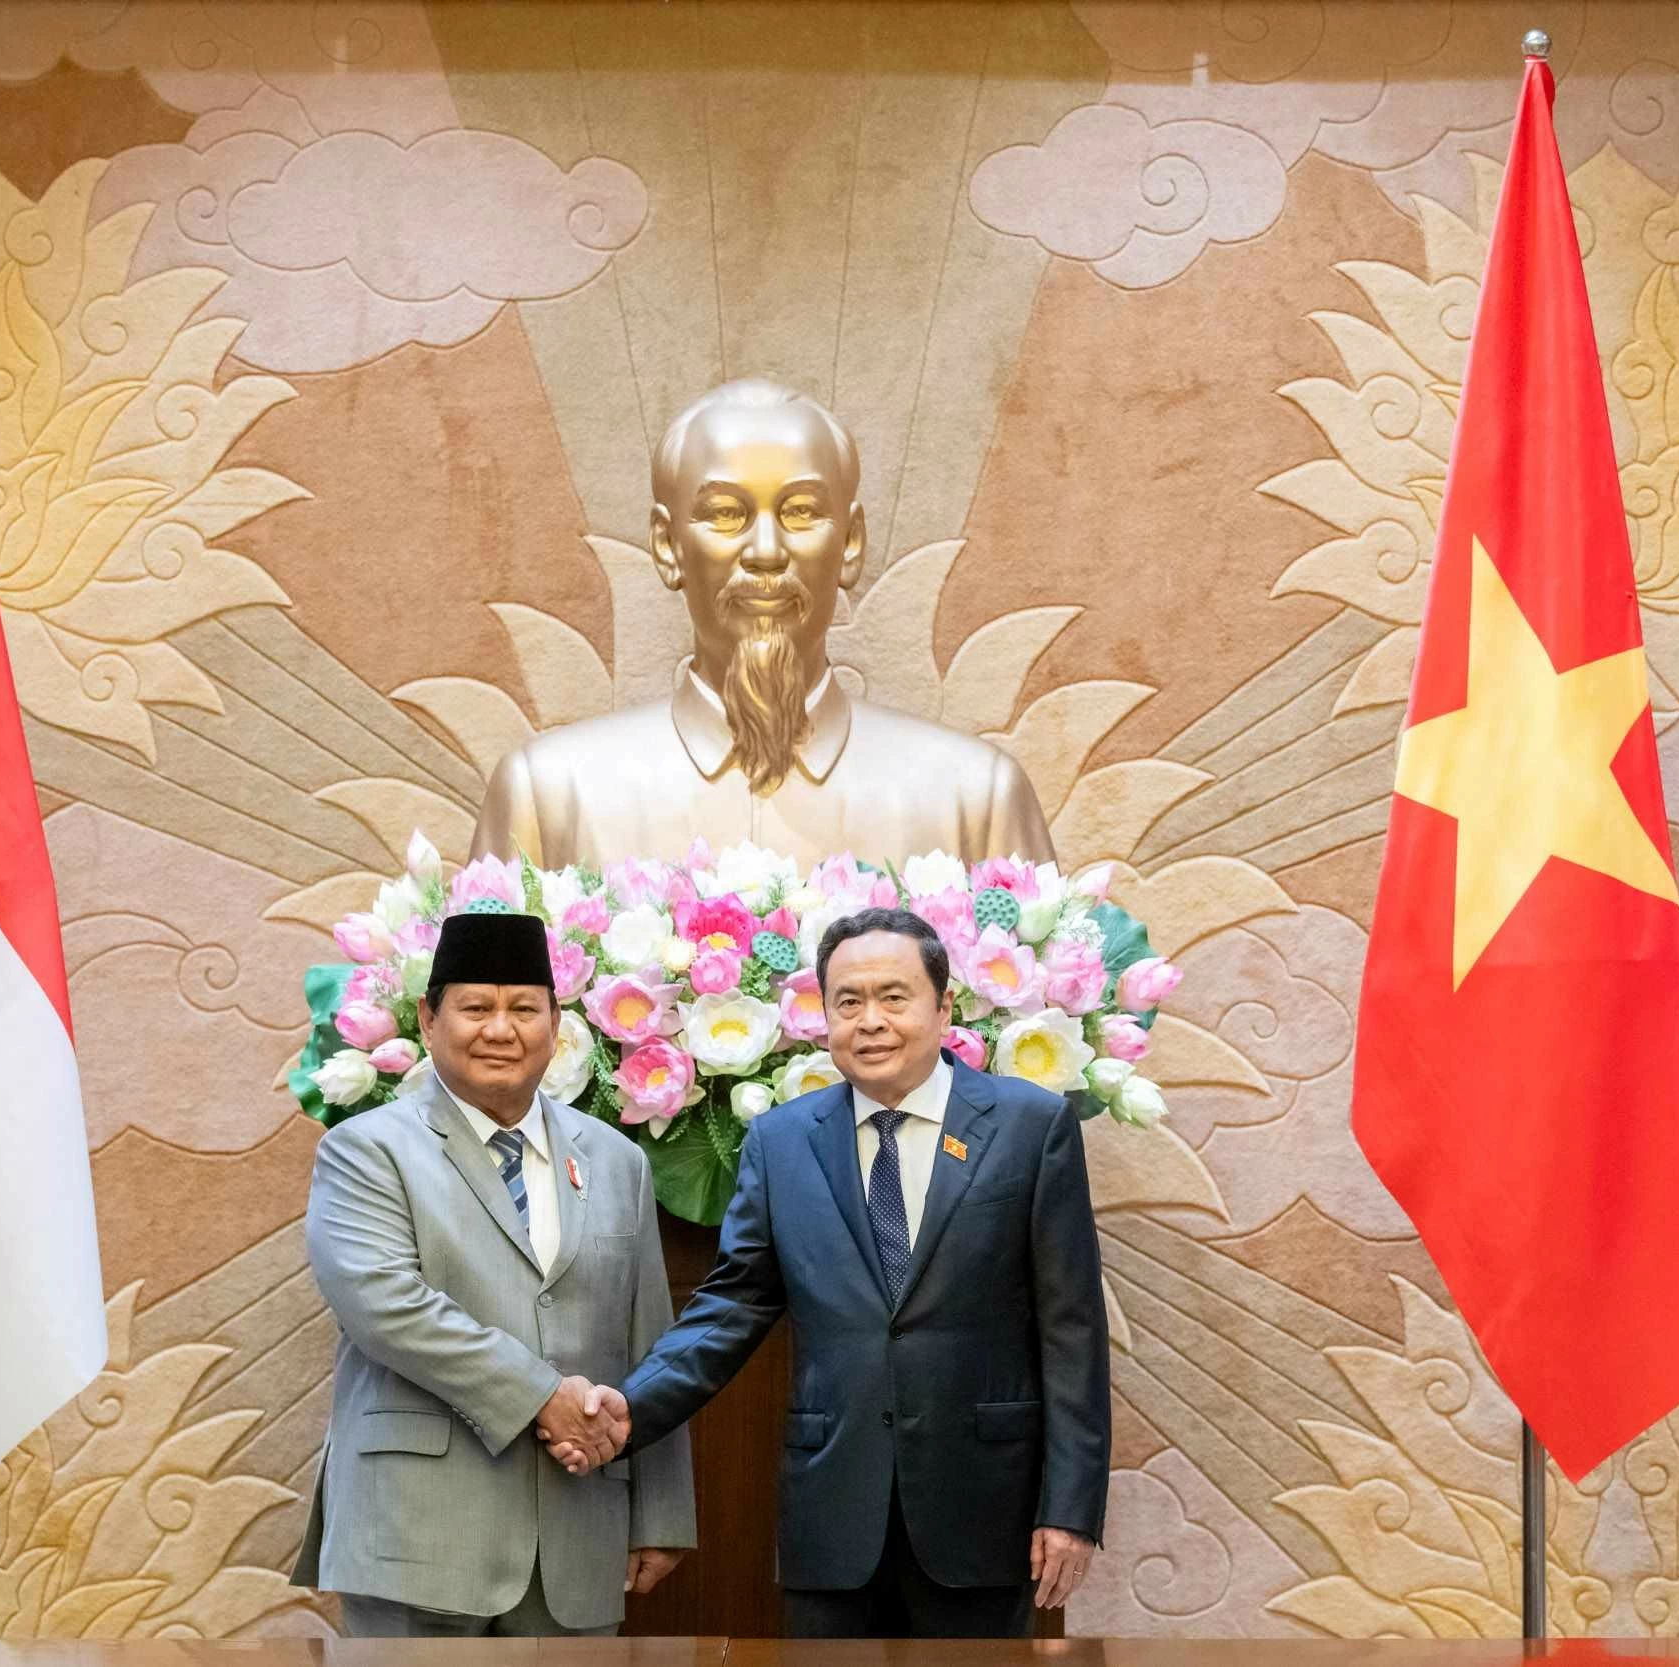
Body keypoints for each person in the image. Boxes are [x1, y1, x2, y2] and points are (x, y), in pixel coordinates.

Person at [550, 907, 1109, 1637]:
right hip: (832, 1511)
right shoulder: (782, 1141)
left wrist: (1069, 1508)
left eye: (894, 997)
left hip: (983, 1508)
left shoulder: (1030, 1127)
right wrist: (635, 1406)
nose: (869, 1019)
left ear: (944, 1007)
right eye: (848, 1001)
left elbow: (1072, 1329)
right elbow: (733, 1304)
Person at [295, 911, 692, 1635]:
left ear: (557, 1021)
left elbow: (649, 1341)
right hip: (417, 1535)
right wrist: (545, 1394)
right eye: (476, 1007)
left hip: (577, 1535)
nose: (500, 1029)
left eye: (523, 1009)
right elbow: (389, 1306)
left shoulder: (616, 1161)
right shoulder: (367, 1151)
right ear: (428, 1016)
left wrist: (660, 1509)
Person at [469, 378, 1055, 867]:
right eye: (726, 514)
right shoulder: (550, 799)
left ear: (849, 544)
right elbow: (483, 1005)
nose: (767, 551)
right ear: (668, 545)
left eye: (801, 512)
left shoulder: (976, 802)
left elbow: (1042, 1007)